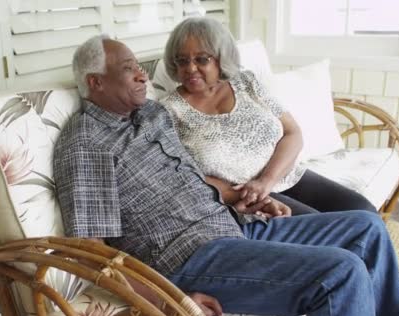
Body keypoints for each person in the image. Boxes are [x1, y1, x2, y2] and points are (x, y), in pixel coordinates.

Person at [53, 34, 399, 316]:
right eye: (130, 69)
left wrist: (243, 198)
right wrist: (166, 301)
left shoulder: (151, 115)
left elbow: (190, 180)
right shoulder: (86, 142)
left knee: (366, 227)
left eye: (139, 68)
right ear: (95, 82)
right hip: (186, 257)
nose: (143, 75)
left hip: (233, 227)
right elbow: (90, 251)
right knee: (340, 271)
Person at [160, 17, 376, 215]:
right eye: (182, 60)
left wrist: (266, 181)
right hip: (243, 196)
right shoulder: (168, 110)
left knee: (363, 210)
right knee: (329, 228)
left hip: (285, 176)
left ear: (220, 58)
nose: (190, 68)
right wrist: (249, 194)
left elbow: (292, 133)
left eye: (202, 59)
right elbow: (178, 171)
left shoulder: (246, 82)